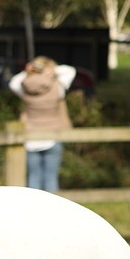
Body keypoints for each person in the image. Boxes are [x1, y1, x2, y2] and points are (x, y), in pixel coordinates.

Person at [8, 56, 77, 192]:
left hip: (30, 138)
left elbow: (13, 82)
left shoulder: (24, 87)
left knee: (33, 179)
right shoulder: (58, 86)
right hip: (53, 137)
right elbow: (70, 71)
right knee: (51, 178)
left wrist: (28, 71)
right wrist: (51, 70)